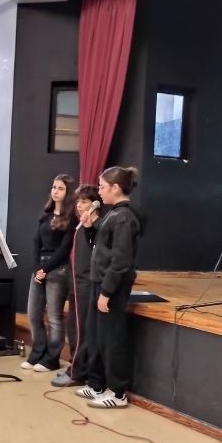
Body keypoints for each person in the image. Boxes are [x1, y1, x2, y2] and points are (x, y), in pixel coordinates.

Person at [75, 167, 143, 409]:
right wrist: (90, 227)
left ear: (115, 188)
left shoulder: (124, 217)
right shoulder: (113, 215)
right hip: (99, 283)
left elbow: (121, 260)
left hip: (111, 288)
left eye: (102, 187)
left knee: (111, 339)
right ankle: (98, 384)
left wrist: (106, 291)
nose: (100, 192)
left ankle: (117, 392)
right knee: (96, 337)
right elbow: (102, 246)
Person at [21, 173, 78, 372]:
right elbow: (36, 242)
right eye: (54, 187)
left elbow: (64, 248)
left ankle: (52, 358)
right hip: (40, 269)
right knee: (33, 314)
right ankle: (37, 353)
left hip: (57, 269)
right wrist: (37, 268)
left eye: (60, 188)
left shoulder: (71, 218)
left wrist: (45, 269)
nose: (55, 191)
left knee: (54, 317)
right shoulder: (45, 214)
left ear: (68, 192)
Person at [51, 184, 101, 388]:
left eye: (84, 202)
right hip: (75, 283)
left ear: (95, 204)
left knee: (80, 331)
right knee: (73, 328)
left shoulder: (96, 227)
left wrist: (89, 227)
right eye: (78, 201)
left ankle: (76, 372)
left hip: (85, 284)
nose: (79, 205)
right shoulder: (81, 225)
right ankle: (78, 367)